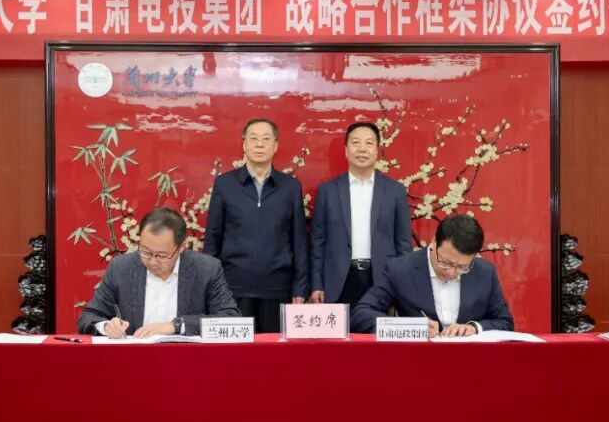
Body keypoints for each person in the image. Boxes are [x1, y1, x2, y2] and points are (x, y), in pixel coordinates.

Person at [204, 118, 308, 333]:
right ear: (244, 145)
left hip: (277, 288)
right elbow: (213, 238)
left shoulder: (290, 187)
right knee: (236, 351)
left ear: (275, 146)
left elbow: (299, 240)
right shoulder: (225, 184)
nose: (259, 144)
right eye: (253, 139)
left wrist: (299, 287)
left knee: (274, 350)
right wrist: (211, 287)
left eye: (266, 139)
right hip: (233, 288)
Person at [77, 207, 239, 337]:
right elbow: (88, 317)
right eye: (145, 252)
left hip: (186, 360)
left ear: (181, 247)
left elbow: (231, 319)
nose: (153, 262)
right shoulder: (121, 268)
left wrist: (176, 326)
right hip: (133, 360)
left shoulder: (206, 269)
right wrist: (107, 326)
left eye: (162, 255)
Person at [350, 214, 514, 337]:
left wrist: (474, 328)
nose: (452, 272)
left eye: (462, 267)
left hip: (469, 363)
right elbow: (360, 314)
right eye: (445, 262)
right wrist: (409, 327)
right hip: (415, 361)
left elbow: (505, 321)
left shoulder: (485, 272)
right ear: (434, 242)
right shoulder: (400, 269)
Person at [309, 121, 412, 310]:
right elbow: (318, 241)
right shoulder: (328, 191)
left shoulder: (395, 191)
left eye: (369, 143)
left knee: (374, 328)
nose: (362, 149)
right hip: (338, 279)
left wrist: (402, 285)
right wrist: (317, 284)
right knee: (340, 329)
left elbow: (403, 243)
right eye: (356, 143)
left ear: (377, 151)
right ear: (346, 150)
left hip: (380, 279)